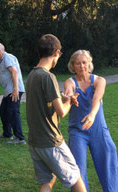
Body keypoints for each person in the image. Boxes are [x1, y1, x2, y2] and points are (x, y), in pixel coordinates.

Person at [25, 34, 86, 191]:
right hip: (51, 141)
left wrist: (61, 98)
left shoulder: (32, 75)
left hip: (35, 142)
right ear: (56, 52)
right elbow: (61, 112)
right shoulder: (47, 76)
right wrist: (69, 102)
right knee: (75, 177)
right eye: (59, 54)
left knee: (48, 179)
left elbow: (44, 104)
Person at [64, 50, 118, 192]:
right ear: (72, 65)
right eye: (78, 63)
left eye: (84, 62)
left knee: (108, 163)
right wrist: (69, 98)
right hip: (77, 131)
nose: (82, 66)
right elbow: (68, 92)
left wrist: (92, 114)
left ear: (89, 63)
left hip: (98, 129)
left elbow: (97, 99)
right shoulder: (70, 82)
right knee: (78, 169)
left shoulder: (100, 81)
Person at [0, 43, 26, 144]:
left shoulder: (7, 57)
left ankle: (20, 138)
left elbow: (14, 72)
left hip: (15, 90)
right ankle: (7, 133)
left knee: (14, 112)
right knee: (3, 111)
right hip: (8, 91)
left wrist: (15, 89)